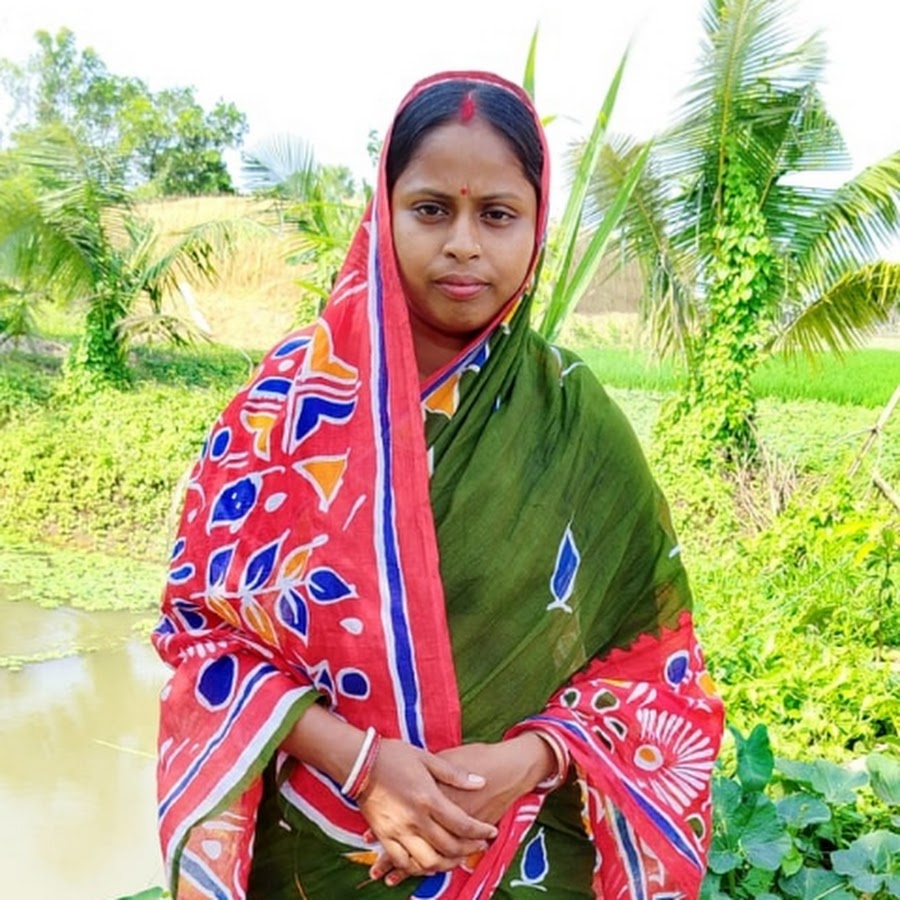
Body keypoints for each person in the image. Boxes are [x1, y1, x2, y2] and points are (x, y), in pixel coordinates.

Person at [153, 70, 724, 900]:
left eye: (497, 214)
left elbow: (652, 658)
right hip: (318, 855)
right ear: (383, 216)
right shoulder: (285, 408)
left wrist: (526, 760)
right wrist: (362, 766)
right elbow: (202, 632)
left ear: (537, 227)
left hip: (518, 842)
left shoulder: (575, 421)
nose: (463, 243)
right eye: (431, 210)